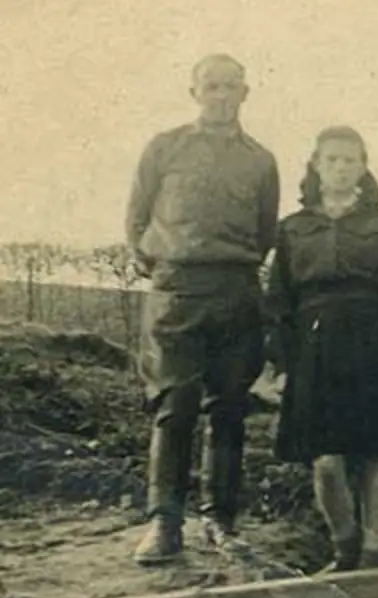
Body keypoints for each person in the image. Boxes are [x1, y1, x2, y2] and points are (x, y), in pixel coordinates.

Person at [126, 54, 280, 565]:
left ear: (245, 92)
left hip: (235, 289)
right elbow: (137, 221)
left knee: (230, 408)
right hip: (179, 293)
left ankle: (221, 521)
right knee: (175, 406)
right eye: (211, 86)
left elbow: (263, 231)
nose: (220, 95)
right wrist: (170, 272)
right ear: (194, 91)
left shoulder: (260, 160)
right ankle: (164, 523)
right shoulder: (165, 148)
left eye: (230, 86)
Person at [265, 126, 378, 573]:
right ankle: (344, 547)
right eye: (332, 159)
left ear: (363, 166)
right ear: (316, 165)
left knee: (375, 454)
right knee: (327, 462)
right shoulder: (293, 228)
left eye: (350, 160)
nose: (340, 168)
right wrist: (282, 363)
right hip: (314, 348)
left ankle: (374, 555)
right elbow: (278, 301)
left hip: (374, 346)